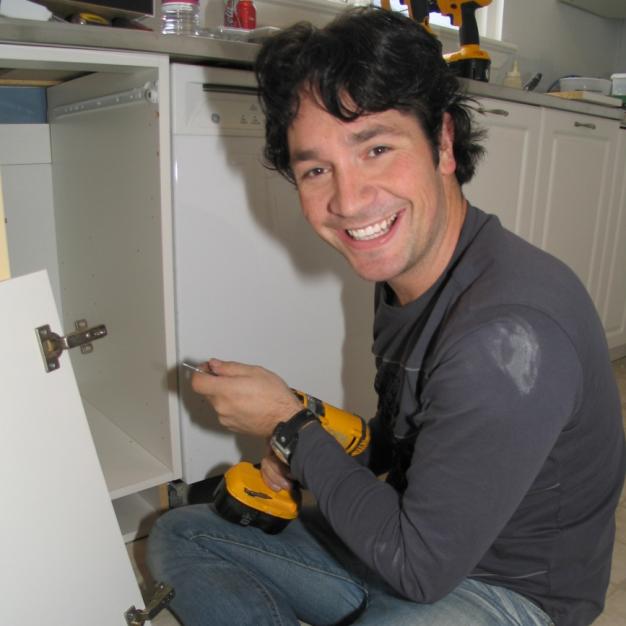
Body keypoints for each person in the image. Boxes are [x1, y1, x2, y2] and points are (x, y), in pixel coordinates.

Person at [147, 8, 626, 626]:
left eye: (375, 148)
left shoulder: (506, 333)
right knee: (183, 536)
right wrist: (307, 437)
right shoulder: (415, 271)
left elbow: (419, 571)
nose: (348, 201)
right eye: (317, 169)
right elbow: (410, 445)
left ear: (443, 143)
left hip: (507, 595)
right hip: (416, 544)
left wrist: (294, 429)